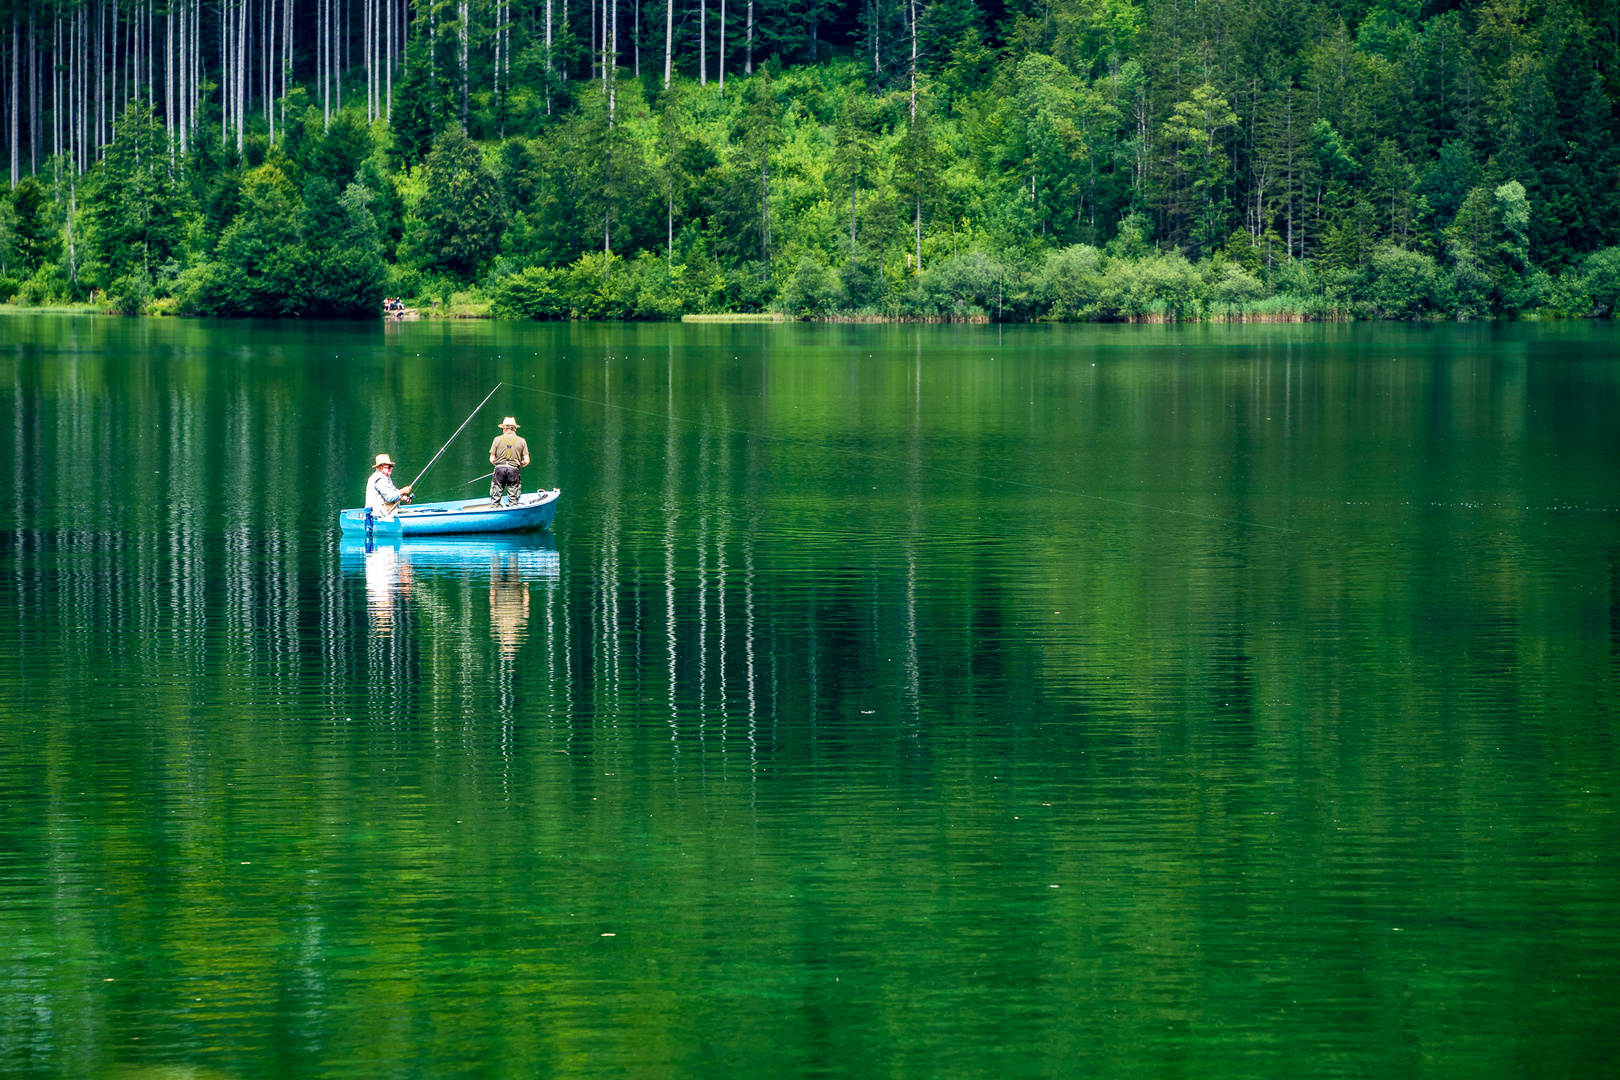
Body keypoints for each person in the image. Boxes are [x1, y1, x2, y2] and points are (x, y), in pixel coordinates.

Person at [489, 417, 531, 507]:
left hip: (499, 470)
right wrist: (519, 464)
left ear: (504, 428)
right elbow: (527, 460)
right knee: (513, 499)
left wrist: (498, 465)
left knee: (495, 499)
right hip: (514, 471)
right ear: (514, 429)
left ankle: (494, 511)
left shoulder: (497, 439)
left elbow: (492, 459)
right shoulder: (522, 441)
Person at [365, 454, 413, 519]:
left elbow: (393, 491)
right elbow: (389, 497)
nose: (391, 469)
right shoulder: (380, 480)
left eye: (391, 466)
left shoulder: (385, 477)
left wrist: (403, 498)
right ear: (380, 468)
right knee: (411, 513)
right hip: (380, 514)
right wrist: (402, 491)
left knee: (413, 511)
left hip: (385, 512)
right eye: (389, 467)